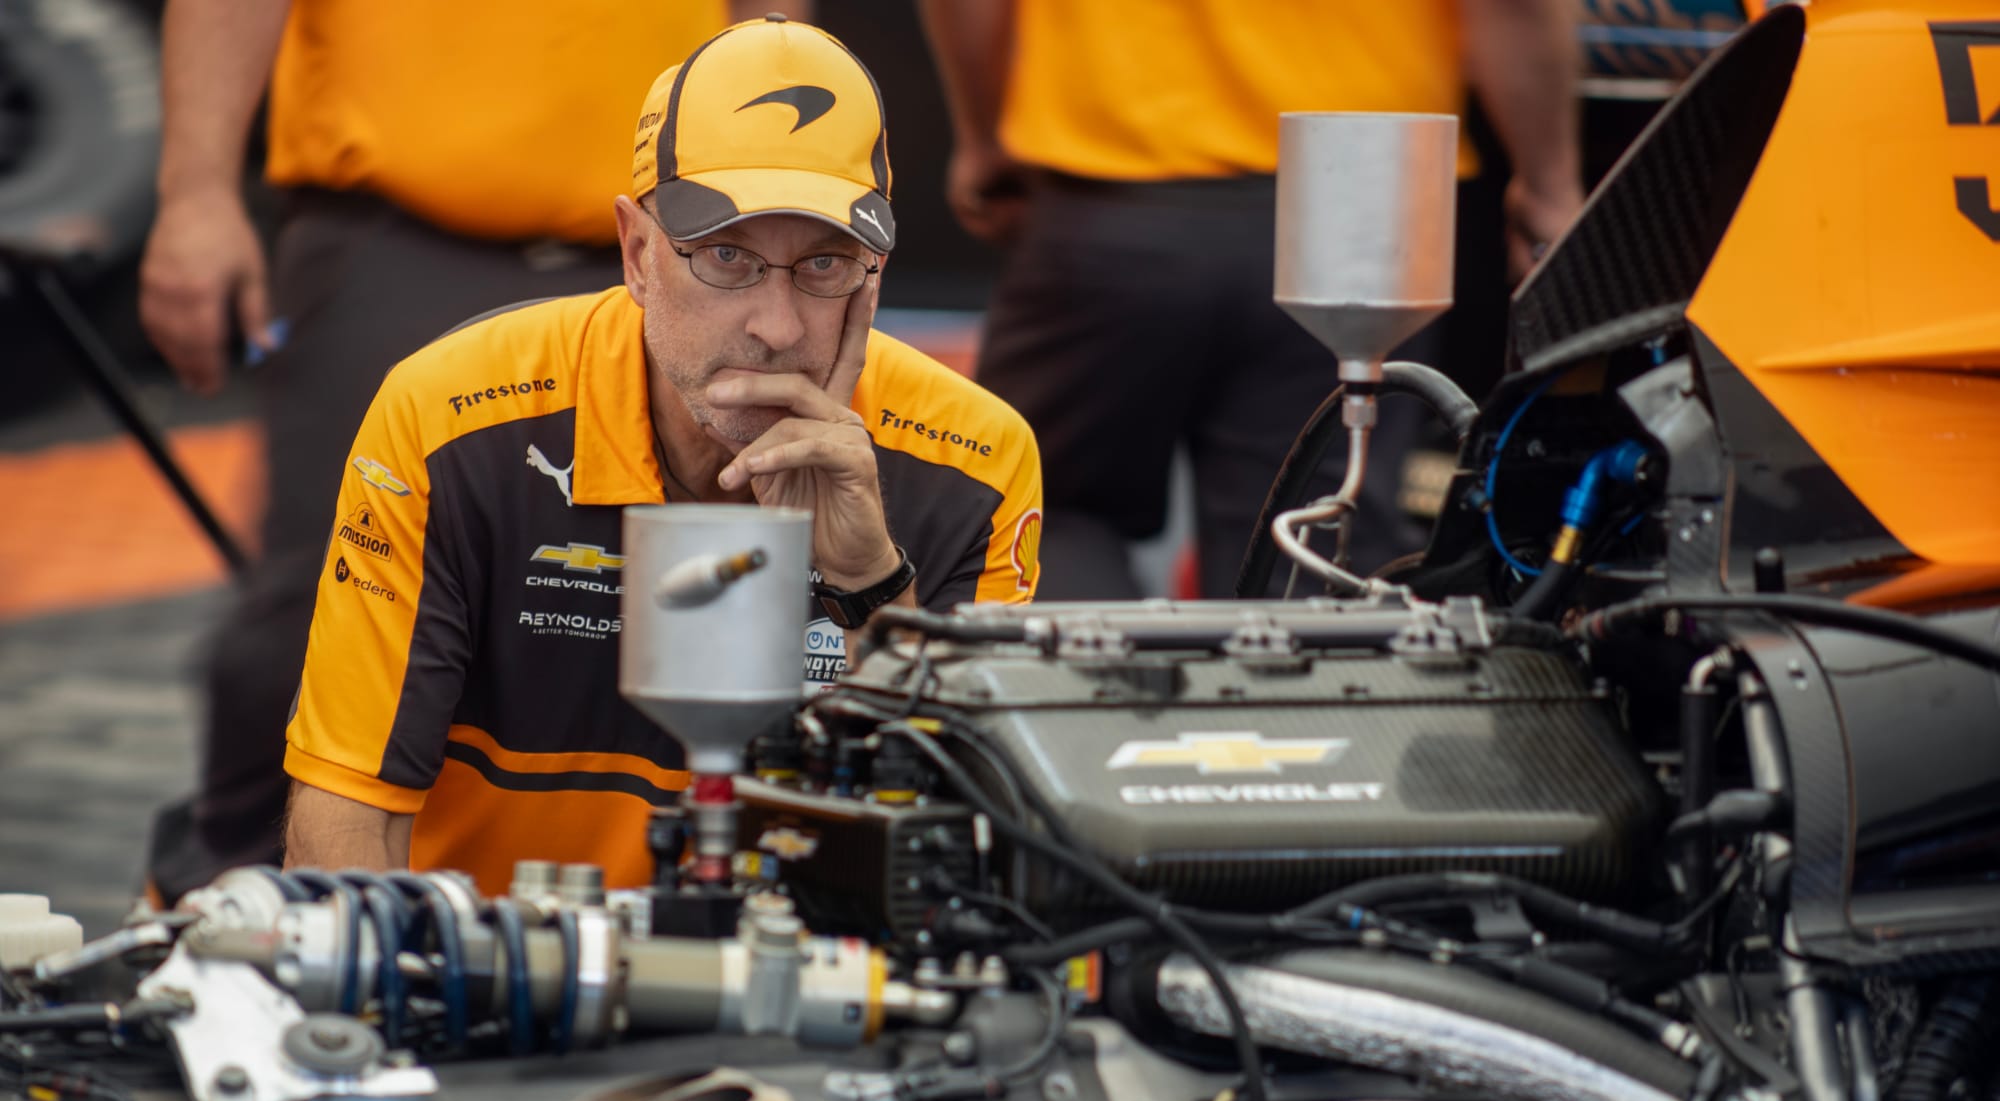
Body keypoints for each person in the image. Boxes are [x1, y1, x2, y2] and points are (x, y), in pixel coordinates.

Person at [277, 16, 1044, 894]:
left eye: (827, 265)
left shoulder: (973, 462)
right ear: (637, 254)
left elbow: (988, 858)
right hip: (500, 991)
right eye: (726, 256)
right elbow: (346, 819)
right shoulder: (452, 419)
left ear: (875, 276)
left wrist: (870, 581)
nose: (777, 327)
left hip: (817, 1000)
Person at [136, 0, 803, 901]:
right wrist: (196, 193)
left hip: (678, 245)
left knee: (702, 599)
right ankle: (215, 921)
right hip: (395, 233)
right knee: (307, 627)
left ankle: (669, 932)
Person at [920, 0, 1584, 599]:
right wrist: (1549, 183)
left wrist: (983, 135)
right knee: (1313, 549)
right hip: (1363, 198)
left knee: (1040, 510)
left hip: (1115, 190)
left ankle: (1078, 724)